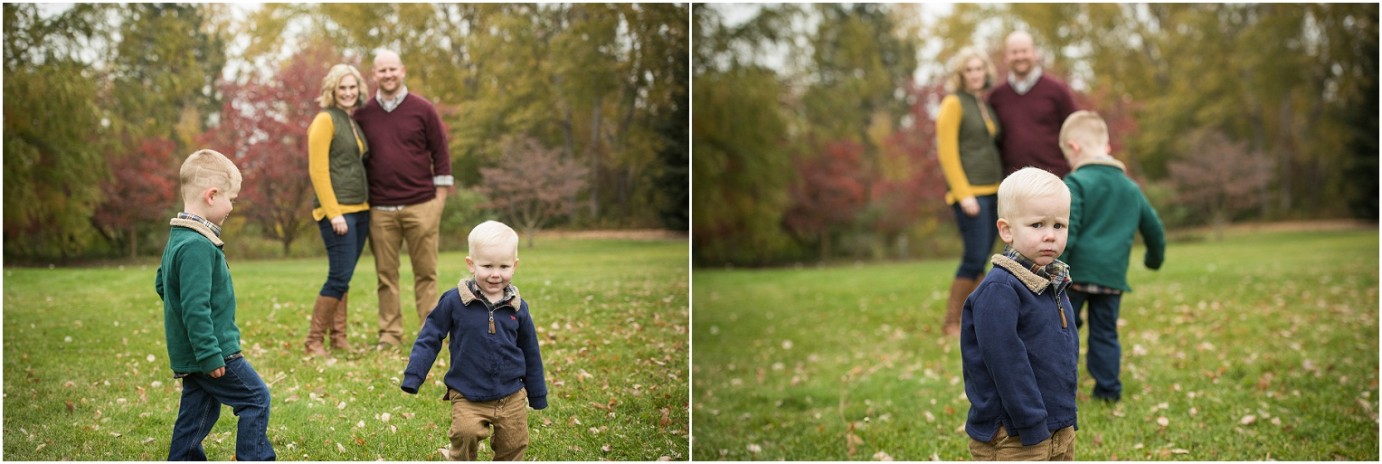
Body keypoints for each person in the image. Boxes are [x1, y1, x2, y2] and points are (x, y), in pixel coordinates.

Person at [156, 149, 275, 461]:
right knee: (256, 399)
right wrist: (209, 353)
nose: (231, 206)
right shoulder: (197, 245)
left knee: (197, 415)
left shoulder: (179, 237)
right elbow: (195, 307)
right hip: (215, 352)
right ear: (212, 196)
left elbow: (163, 285)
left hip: (194, 354)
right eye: (231, 198)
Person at [401, 220, 548, 461]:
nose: (495, 274)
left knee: (514, 443)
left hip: (510, 392)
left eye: (504, 266)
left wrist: (537, 393)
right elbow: (430, 338)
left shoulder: (518, 308)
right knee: (465, 433)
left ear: (515, 265)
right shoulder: (454, 302)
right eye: (487, 265)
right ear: (471, 264)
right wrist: (414, 375)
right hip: (467, 391)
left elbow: (530, 351)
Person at [961, 167, 1077, 461]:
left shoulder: (1052, 282)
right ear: (1006, 230)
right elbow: (1006, 364)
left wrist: (1064, 417)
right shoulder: (1001, 290)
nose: (1050, 236)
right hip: (1015, 434)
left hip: (1057, 426)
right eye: (1037, 225)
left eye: (1059, 225)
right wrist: (1032, 424)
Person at [1056, 111, 1166, 403]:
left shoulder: (1076, 182)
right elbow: (1154, 228)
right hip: (1111, 277)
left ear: (1074, 148)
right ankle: (1107, 392)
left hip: (1075, 274)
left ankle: (1057, 386)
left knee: (1063, 326)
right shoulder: (1131, 188)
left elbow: (1070, 227)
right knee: (1105, 333)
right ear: (1106, 148)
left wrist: (1054, 268)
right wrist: (1154, 259)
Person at [354, 49, 455, 351]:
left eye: (392, 69)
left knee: (426, 273)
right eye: (381, 70)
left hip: (421, 205)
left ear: (403, 71)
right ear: (374, 74)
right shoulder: (363, 114)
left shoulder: (423, 109)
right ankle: (390, 334)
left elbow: (441, 153)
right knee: (386, 276)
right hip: (381, 210)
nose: (387, 75)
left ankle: (430, 332)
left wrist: (438, 201)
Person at [304, 63, 372, 357]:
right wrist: (333, 213)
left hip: (360, 209)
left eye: (352, 87)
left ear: (359, 90)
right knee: (338, 276)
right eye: (342, 88)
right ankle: (313, 341)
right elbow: (318, 170)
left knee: (344, 276)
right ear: (332, 90)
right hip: (338, 212)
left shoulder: (351, 121)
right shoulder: (325, 120)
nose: (347, 92)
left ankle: (339, 338)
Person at [936, 46, 1005, 337]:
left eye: (980, 69)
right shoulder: (954, 103)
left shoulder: (983, 103)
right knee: (974, 256)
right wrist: (963, 193)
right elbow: (947, 151)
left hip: (992, 191)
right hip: (970, 193)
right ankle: (952, 321)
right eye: (970, 69)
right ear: (961, 75)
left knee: (985, 254)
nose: (976, 74)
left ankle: (974, 318)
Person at [988, 31, 1079, 178]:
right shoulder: (996, 97)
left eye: (1024, 51)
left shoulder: (1057, 90)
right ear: (1006, 57)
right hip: (1013, 182)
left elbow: (1076, 129)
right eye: (1014, 52)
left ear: (1035, 53)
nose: (1020, 56)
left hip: (1054, 179)